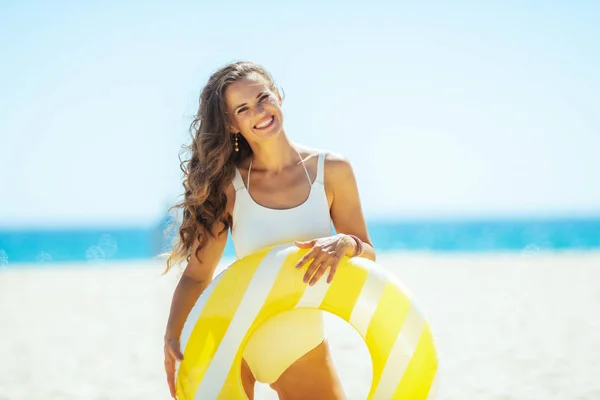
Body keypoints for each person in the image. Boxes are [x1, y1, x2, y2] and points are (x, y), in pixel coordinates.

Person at [163, 61, 376, 400]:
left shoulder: (331, 170)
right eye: (243, 109)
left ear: (278, 95)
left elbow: (368, 251)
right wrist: (172, 336)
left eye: (263, 98)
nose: (259, 111)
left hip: (300, 342)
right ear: (232, 123)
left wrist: (346, 243)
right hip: (231, 339)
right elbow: (197, 275)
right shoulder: (228, 186)